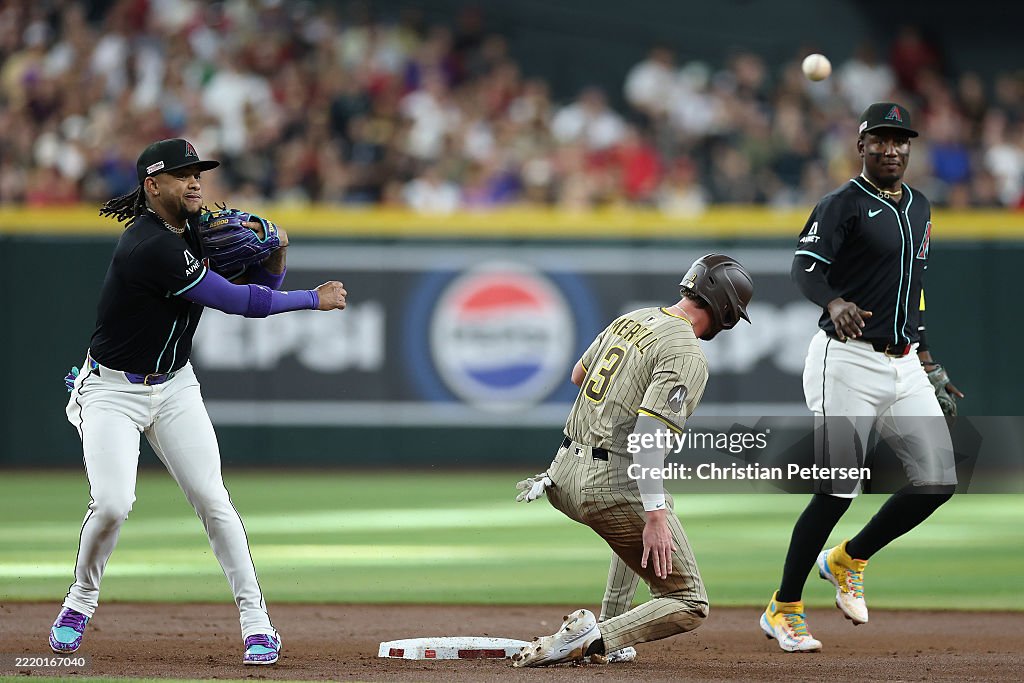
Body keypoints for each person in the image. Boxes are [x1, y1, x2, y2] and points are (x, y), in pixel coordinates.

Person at [51, 138, 348, 665]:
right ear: (152, 185)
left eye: (198, 173)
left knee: (214, 499)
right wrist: (310, 298)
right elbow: (238, 302)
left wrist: (276, 257)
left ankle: (257, 622)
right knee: (114, 504)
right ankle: (80, 600)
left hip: (174, 386)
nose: (195, 181)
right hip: (111, 391)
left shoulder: (193, 230)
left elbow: (256, 282)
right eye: (182, 174)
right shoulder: (150, 245)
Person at [759, 103, 962, 653]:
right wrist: (834, 299)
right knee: (837, 488)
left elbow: (910, 286)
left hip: (903, 360)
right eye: (881, 140)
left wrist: (921, 352)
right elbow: (804, 266)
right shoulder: (842, 203)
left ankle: (848, 558)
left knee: (938, 480)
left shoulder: (919, 205)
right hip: (845, 359)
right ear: (861, 145)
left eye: (900, 140)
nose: (891, 149)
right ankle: (785, 607)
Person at [511, 254, 753, 667]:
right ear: (726, 309)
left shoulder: (633, 318)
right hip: (604, 483)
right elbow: (648, 438)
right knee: (689, 601)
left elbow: (577, 375)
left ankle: (610, 624)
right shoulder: (687, 352)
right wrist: (654, 515)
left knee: (643, 517)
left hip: (560, 475)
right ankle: (597, 636)